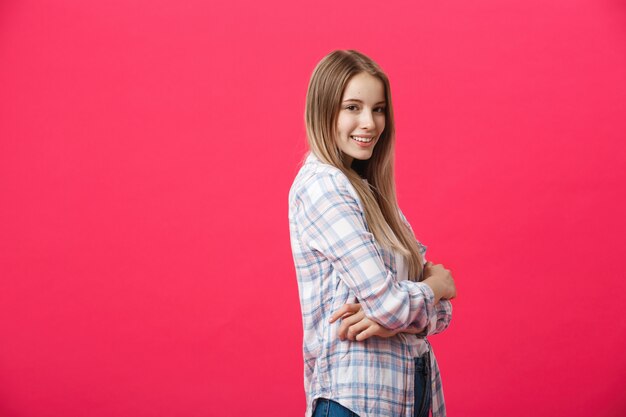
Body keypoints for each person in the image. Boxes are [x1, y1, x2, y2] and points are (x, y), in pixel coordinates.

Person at [288, 49, 457, 417]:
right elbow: (397, 303)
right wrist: (436, 287)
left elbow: (440, 317)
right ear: (324, 109)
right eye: (353, 107)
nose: (369, 123)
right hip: (355, 403)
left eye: (378, 109)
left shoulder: (371, 193)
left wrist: (394, 317)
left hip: (409, 393)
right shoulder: (324, 186)